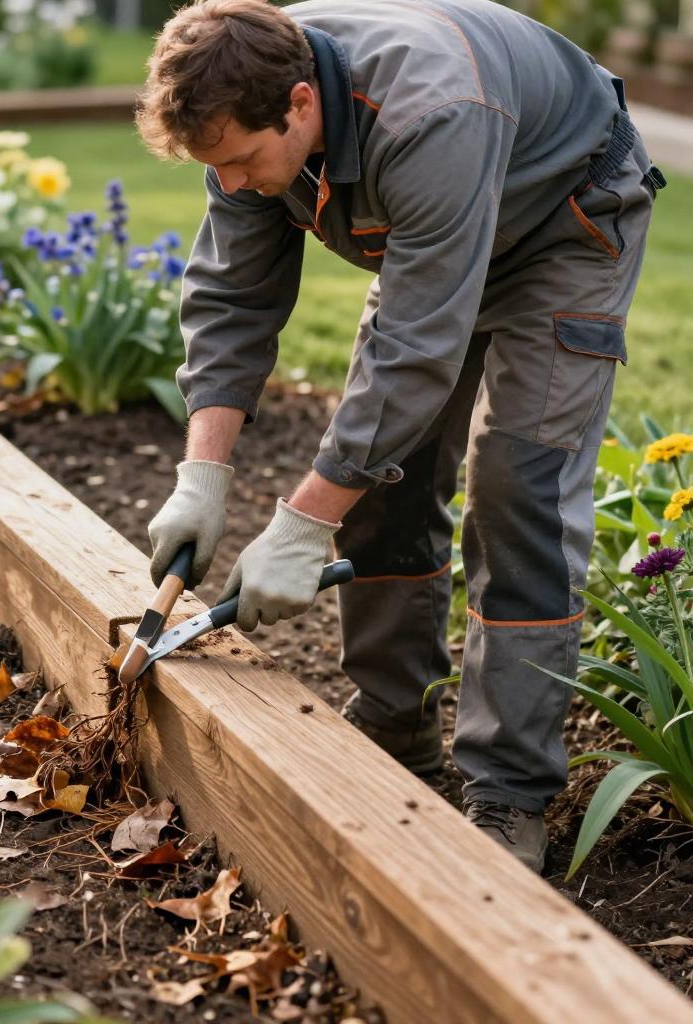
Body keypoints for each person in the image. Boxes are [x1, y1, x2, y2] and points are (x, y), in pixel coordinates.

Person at [136, 0, 665, 871]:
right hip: (433, 235)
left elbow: (416, 351)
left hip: (564, 223)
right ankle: (395, 719)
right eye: (212, 166)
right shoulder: (234, 107)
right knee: (382, 479)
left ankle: (507, 793)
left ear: (302, 105)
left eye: (238, 162)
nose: (228, 184)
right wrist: (203, 475)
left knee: (518, 489)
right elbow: (233, 300)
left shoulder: (431, 112)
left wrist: (304, 525)